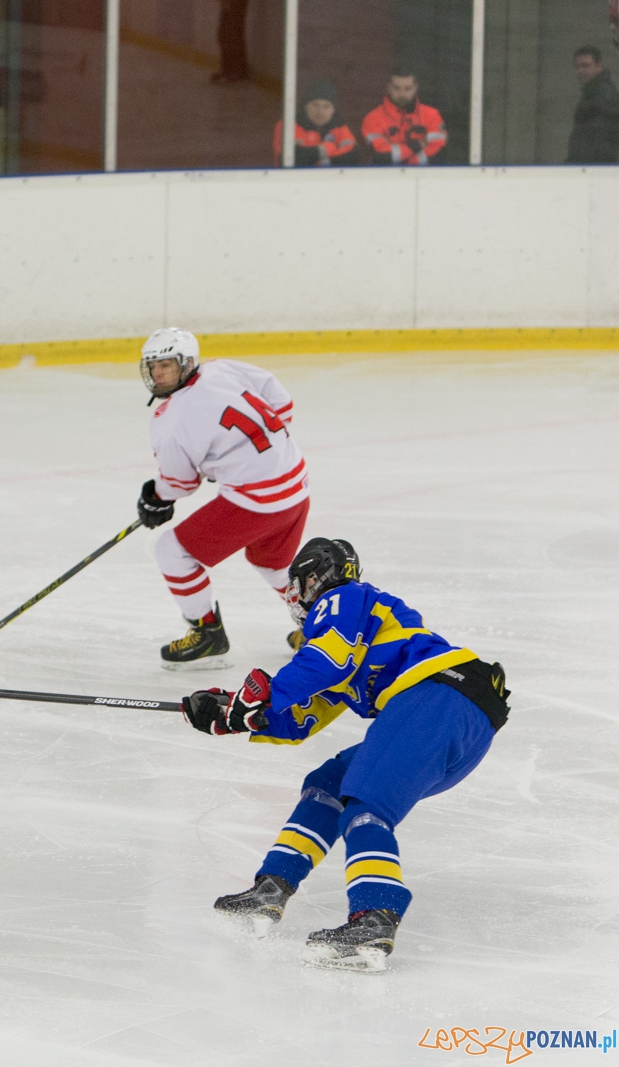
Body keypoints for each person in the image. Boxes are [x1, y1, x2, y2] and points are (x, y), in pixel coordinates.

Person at [181, 538, 508, 972]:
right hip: (455, 718)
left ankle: (374, 916)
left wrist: (261, 695)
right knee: (329, 783)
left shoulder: (344, 599)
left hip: (441, 697)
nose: (296, 597)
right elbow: (301, 717)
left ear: (315, 578)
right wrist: (234, 713)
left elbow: (324, 663)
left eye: (300, 585)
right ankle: (271, 888)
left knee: (366, 802)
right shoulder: (351, 641)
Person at [134, 328, 309, 667]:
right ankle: (318, 628)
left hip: (258, 500)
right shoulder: (221, 368)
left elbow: (181, 483)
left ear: (185, 364)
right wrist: (256, 453)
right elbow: (280, 401)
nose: (157, 374)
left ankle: (207, 635)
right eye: (153, 367)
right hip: (296, 480)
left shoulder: (170, 420)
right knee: (273, 562)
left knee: (172, 552)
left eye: (166, 365)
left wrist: (156, 498)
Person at [361, 73, 447, 166]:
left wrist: (410, 163)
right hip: (387, 178)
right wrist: (416, 146)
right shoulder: (373, 118)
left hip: (423, 177)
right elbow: (381, 156)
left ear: (415, 88)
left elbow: (438, 152)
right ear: (388, 87)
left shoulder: (432, 114)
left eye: (408, 89)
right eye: (396, 88)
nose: (402, 94)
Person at [273, 81, 356, 167]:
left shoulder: (339, 126)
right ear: (306, 106)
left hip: (330, 179)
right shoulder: (289, 124)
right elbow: (291, 159)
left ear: (333, 110)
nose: (320, 111)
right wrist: (324, 149)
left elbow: (352, 156)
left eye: (326, 106)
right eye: (315, 105)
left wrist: (319, 159)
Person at [567, 46, 619, 164]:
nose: (581, 71)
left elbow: (598, 141)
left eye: (586, 66)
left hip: (594, 169)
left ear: (598, 66)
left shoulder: (604, 95)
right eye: (577, 67)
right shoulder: (591, 94)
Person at [214, 0, 249, 83]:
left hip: (236, 3)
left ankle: (236, 70)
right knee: (225, 34)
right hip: (230, 4)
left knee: (232, 34)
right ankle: (229, 69)